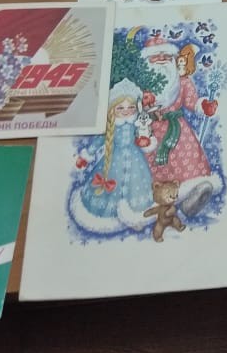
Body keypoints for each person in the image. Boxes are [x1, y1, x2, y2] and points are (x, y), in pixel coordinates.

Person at [141, 36, 218, 212]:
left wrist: (204, 106)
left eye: (166, 56)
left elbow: (192, 101)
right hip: (151, 133)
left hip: (178, 130)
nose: (162, 59)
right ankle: (163, 201)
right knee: (156, 167)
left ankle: (193, 195)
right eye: (156, 56)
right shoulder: (142, 84)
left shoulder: (181, 81)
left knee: (188, 159)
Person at [70, 92, 157, 236]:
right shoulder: (112, 126)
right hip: (114, 160)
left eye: (130, 107)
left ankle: (136, 216)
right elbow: (99, 140)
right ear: (113, 109)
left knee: (136, 186)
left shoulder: (136, 123)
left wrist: (146, 141)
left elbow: (145, 135)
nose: (126, 111)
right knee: (111, 185)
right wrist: (87, 155)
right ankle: (110, 215)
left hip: (136, 160)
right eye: (121, 108)